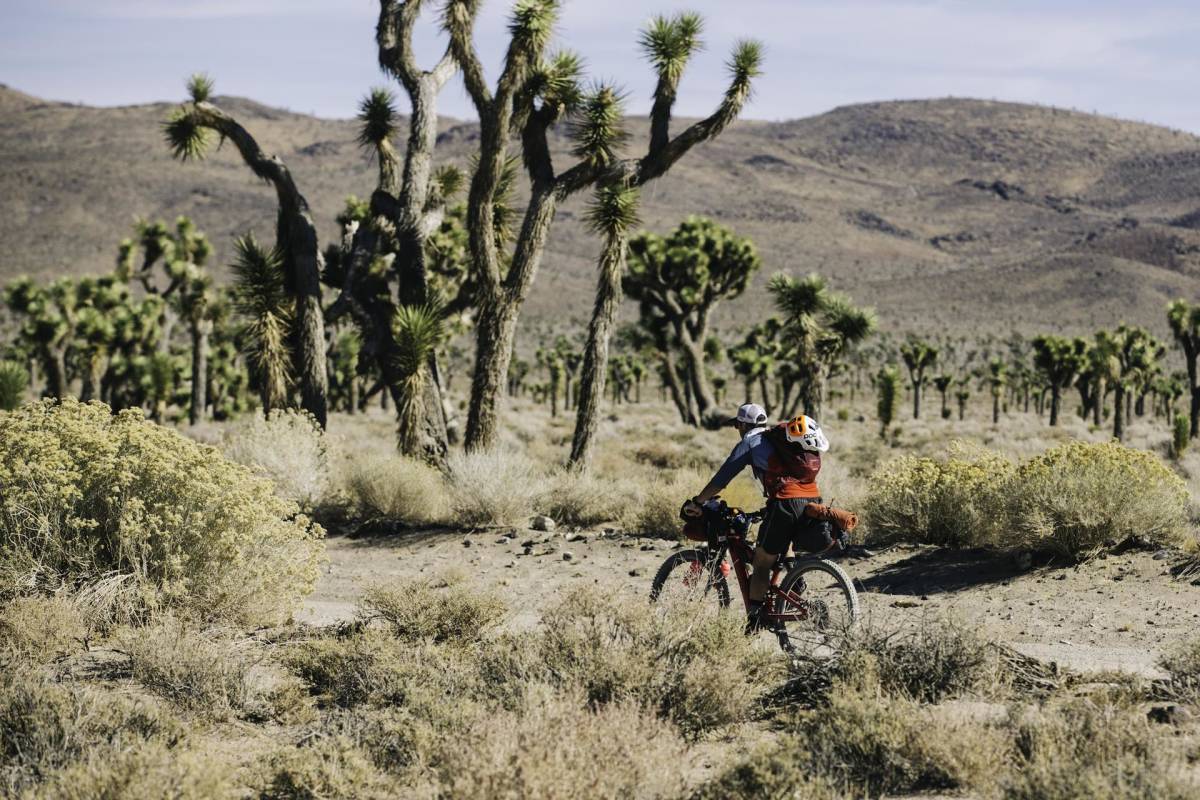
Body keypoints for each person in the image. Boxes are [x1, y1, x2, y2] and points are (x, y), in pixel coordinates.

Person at [682, 403, 832, 631]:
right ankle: (795, 582)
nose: (737, 429)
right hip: (812, 499)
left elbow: (721, 479)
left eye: (737, 425)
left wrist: (698, 501)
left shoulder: (749, 442)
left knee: (761, 563)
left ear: (742, 424)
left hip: (784, 502)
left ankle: (754, 620)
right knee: (783, 545)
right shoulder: (779, 439)